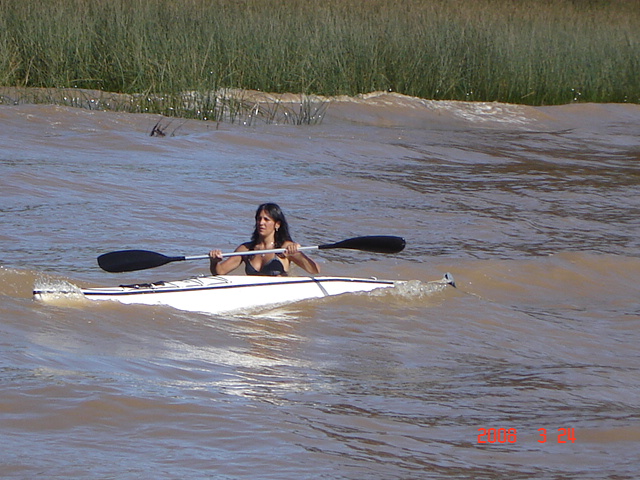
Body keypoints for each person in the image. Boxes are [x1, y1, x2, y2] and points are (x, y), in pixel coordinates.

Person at [209, 203, 320, 276]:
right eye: (259, 219)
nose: (261, 223)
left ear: (277, 224)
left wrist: (298, 253)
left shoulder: (284, 247)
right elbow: (220, 272)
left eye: (266, 219)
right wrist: (214, 262)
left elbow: (314, 270)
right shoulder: (246, 249)